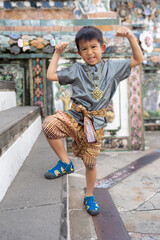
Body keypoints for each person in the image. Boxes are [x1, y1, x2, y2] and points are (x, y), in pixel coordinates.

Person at [42, 26, 143, 216]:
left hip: (95, 124)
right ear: (79, 52)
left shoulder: (113, 68)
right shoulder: (77, 70)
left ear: (103, 48)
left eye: (94, 47)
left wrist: (130, 35)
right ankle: (65, 162)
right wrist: (57, 52)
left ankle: (89, 195)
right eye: (84, 49)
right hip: (75, 116)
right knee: (49, 124)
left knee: (90, 163)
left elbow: (138, 59)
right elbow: (50, 75)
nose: (90, 52)